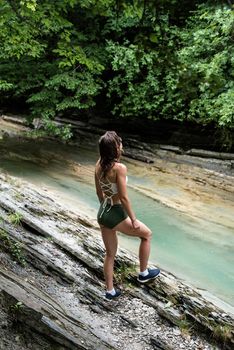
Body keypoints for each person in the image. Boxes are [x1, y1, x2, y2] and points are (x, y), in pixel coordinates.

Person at [95, 131, 160, 299]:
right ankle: (144, 273)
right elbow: (123, 197)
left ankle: (110, 291)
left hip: (102, 212)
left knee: (110, 254)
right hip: (115, 212)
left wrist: (106, 209)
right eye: (120, 143)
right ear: (115, 148)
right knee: (146, 234)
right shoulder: (119, 168)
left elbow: (99, 192)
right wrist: (133, 219)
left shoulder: (98, 165)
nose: (121, 145)